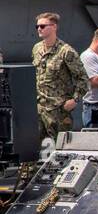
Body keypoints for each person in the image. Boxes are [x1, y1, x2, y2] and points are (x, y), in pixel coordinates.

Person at [32, 12, 89, 141]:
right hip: (40, 109)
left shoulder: (66, 51)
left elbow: (83, 78)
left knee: (60, 149)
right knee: (37, 149)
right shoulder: (37, 49)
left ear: (54, 27)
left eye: (43, 26)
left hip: (59, 110)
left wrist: (74, 100)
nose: (39, 29)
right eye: (37, 27)